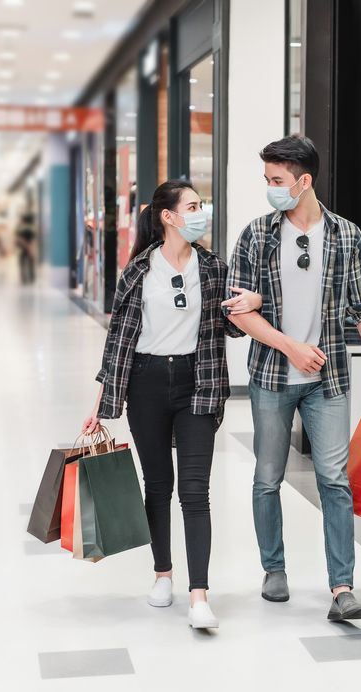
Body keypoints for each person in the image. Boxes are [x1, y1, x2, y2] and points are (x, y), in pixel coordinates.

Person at [224, 134, 361, 622]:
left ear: (304, 182)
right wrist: (292, 348)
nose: (271, 188)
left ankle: (342, 587)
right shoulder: (257, 235)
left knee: (334, 481)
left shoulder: (346, 236)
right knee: (268, 478)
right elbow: (237, 311)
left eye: (277, 181)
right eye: (267, 180)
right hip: (271, 377)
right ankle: (274, 569)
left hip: (329, 382)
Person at [81, 180, 262, 630]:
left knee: (195, 491)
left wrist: (252, 302)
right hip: (145, 382)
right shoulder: (139, 270)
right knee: (157, 485)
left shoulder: (213, 267)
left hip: (197, 383)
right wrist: (99, 401)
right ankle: (163, 573)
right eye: (194, 206)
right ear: (169, 216)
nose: (201, 213)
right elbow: (119, 341)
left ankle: (199, 594)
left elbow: (234, 328)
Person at [16, 214, 37, 285]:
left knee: (22, 263)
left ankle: (24, 278)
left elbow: (18, 238)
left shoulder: (20, 227)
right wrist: (30, 247)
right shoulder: (32, 227)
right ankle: (31, 278)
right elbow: (33, 238)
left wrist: (26, 246)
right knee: (30, 262)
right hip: (29, 246)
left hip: (22, 248)